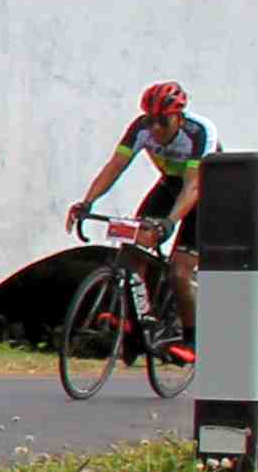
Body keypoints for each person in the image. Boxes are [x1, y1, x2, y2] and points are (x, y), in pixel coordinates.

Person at [66, 79, 210, 358]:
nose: (155, 128)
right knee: (132, 244)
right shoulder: (141, 128)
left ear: (177, 118)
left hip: (206, 192)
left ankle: (193, 339)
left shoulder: (198, 133)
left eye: (162, 122)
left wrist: (168, 222)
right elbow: (115, 166)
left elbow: (193, 186)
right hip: (170, 185)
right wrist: (87, 201)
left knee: (179, 272)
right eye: (150, 120)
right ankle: (137, 320)